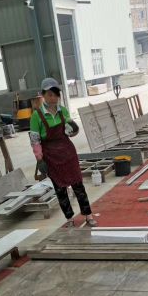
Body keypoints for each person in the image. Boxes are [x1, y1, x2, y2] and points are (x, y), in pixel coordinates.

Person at [29, 77, 97, 227]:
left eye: (56, 94)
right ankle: (69, 218)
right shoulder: (36, 116)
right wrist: (40, 159)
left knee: (78, 185)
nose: (53, 98)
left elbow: (70, 132)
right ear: (43, 95)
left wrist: (73, 128)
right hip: (51, 156)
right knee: (60, 189)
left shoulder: (63, 111)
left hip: (68, 153)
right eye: (50, 94)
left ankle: (88, 215)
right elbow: (35, 140)